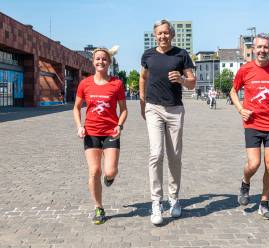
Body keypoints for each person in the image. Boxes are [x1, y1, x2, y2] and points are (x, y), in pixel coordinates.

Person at [139, 19, 196, 225]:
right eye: (159, 33)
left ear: (172, 35)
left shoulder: (181, 54)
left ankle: (174, 198)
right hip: (153, 107)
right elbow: (143, 78)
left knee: (174, 157)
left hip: (175, 110)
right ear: (155, 35)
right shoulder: (148, 55)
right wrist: (142, 102)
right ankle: (156, 202)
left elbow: (192, 83)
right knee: (156, 154)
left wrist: (181, 79)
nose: (162, 36)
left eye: (166, 33)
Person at [230, 34, 269, 220]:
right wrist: (241, 109)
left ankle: (264, 203)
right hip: (252, 123)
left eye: (266, 47)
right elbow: (233, 91)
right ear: (253, 50)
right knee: (254, 164)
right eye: (259, 47)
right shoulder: (245, 70)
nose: (262, 50)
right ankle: (245, 182)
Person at [73, 46, 127, 225]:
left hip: (111, 132)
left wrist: (119, 125)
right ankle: (98, 207)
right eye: (97, 59)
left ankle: (109, 178)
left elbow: (124, 110)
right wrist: (79, 125)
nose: (101, 61)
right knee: (94, 171)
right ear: (93, 62)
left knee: (110, 171)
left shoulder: (116, 83)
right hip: (91, 132)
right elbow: (76, 108)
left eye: (104, 59)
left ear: (109, 62)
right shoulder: (85, 83)